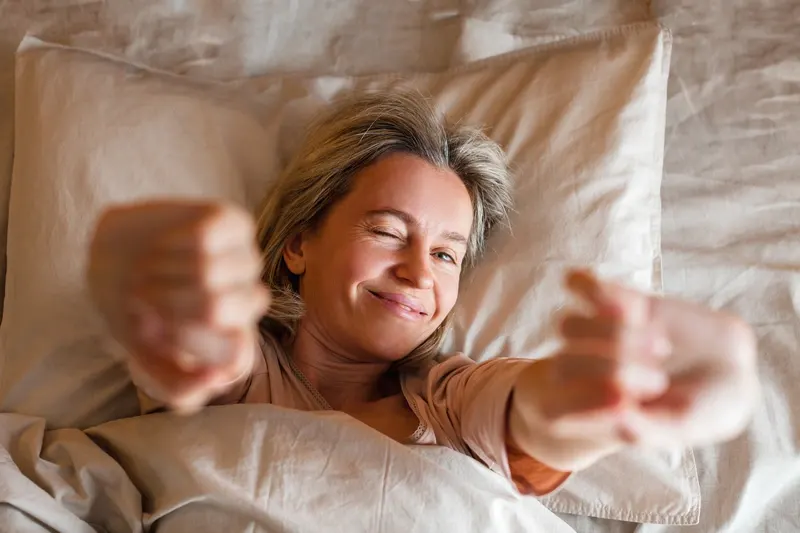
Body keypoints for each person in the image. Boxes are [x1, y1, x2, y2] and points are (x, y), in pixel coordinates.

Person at [87, 91, 759, 496]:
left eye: (445, 254)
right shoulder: (248, 374)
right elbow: (206, 347)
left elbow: (536, 411)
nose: (419, 273)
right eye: (387, 232)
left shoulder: (445, 400)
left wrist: (613, 392)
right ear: (298, 244)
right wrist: (175, 300)